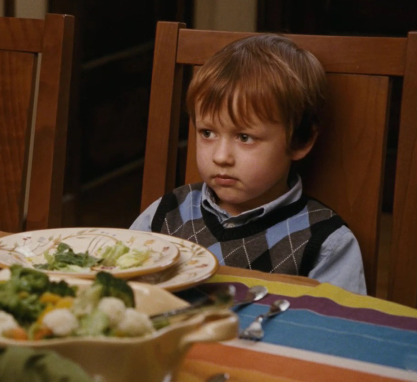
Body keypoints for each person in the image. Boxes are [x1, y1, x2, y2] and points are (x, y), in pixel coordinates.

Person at [131, 34, 366, 294]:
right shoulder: (166, 214)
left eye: (244, 137)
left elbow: (336, 319)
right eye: (207, 133)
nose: (221, 157)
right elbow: (120, 287)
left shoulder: (326, 243)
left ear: (300, 141)